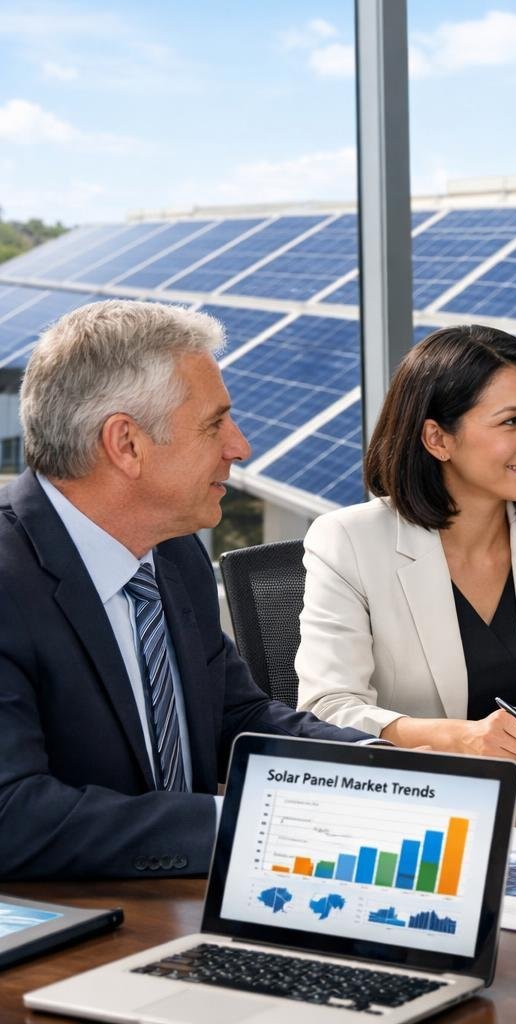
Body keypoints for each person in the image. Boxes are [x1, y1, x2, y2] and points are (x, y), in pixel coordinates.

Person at [0, 300, 372, 881]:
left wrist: (378, 770)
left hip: (182, 902)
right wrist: (250, 824)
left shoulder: (173, 552)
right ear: (126, 444)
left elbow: (236, 717)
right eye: (213, 424)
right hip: (69, 923)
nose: (239, 447)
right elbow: (13, 816)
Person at [295, 325, 516, 762]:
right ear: (437, 439)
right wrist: (465, 738)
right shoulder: (348, 541)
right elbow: (328, 709)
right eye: (511, 421)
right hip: (420, 790)